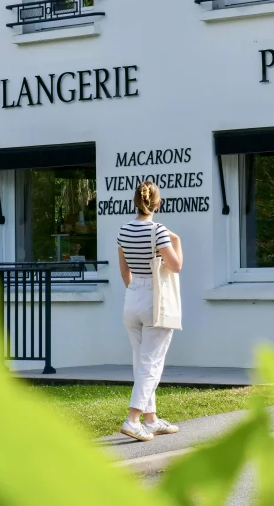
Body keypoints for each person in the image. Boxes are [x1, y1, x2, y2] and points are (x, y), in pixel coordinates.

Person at [117, 181, 183, 441]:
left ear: (137, 201)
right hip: (155, 299)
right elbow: (175, 266)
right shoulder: (159, 231)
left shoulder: (123, 229)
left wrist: (135, 289)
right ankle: (133, 419)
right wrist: (177, 241)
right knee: (151, 362)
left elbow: (124, 270)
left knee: (140, 360)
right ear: (158, 203)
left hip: (132, 297)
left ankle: (151, 419)